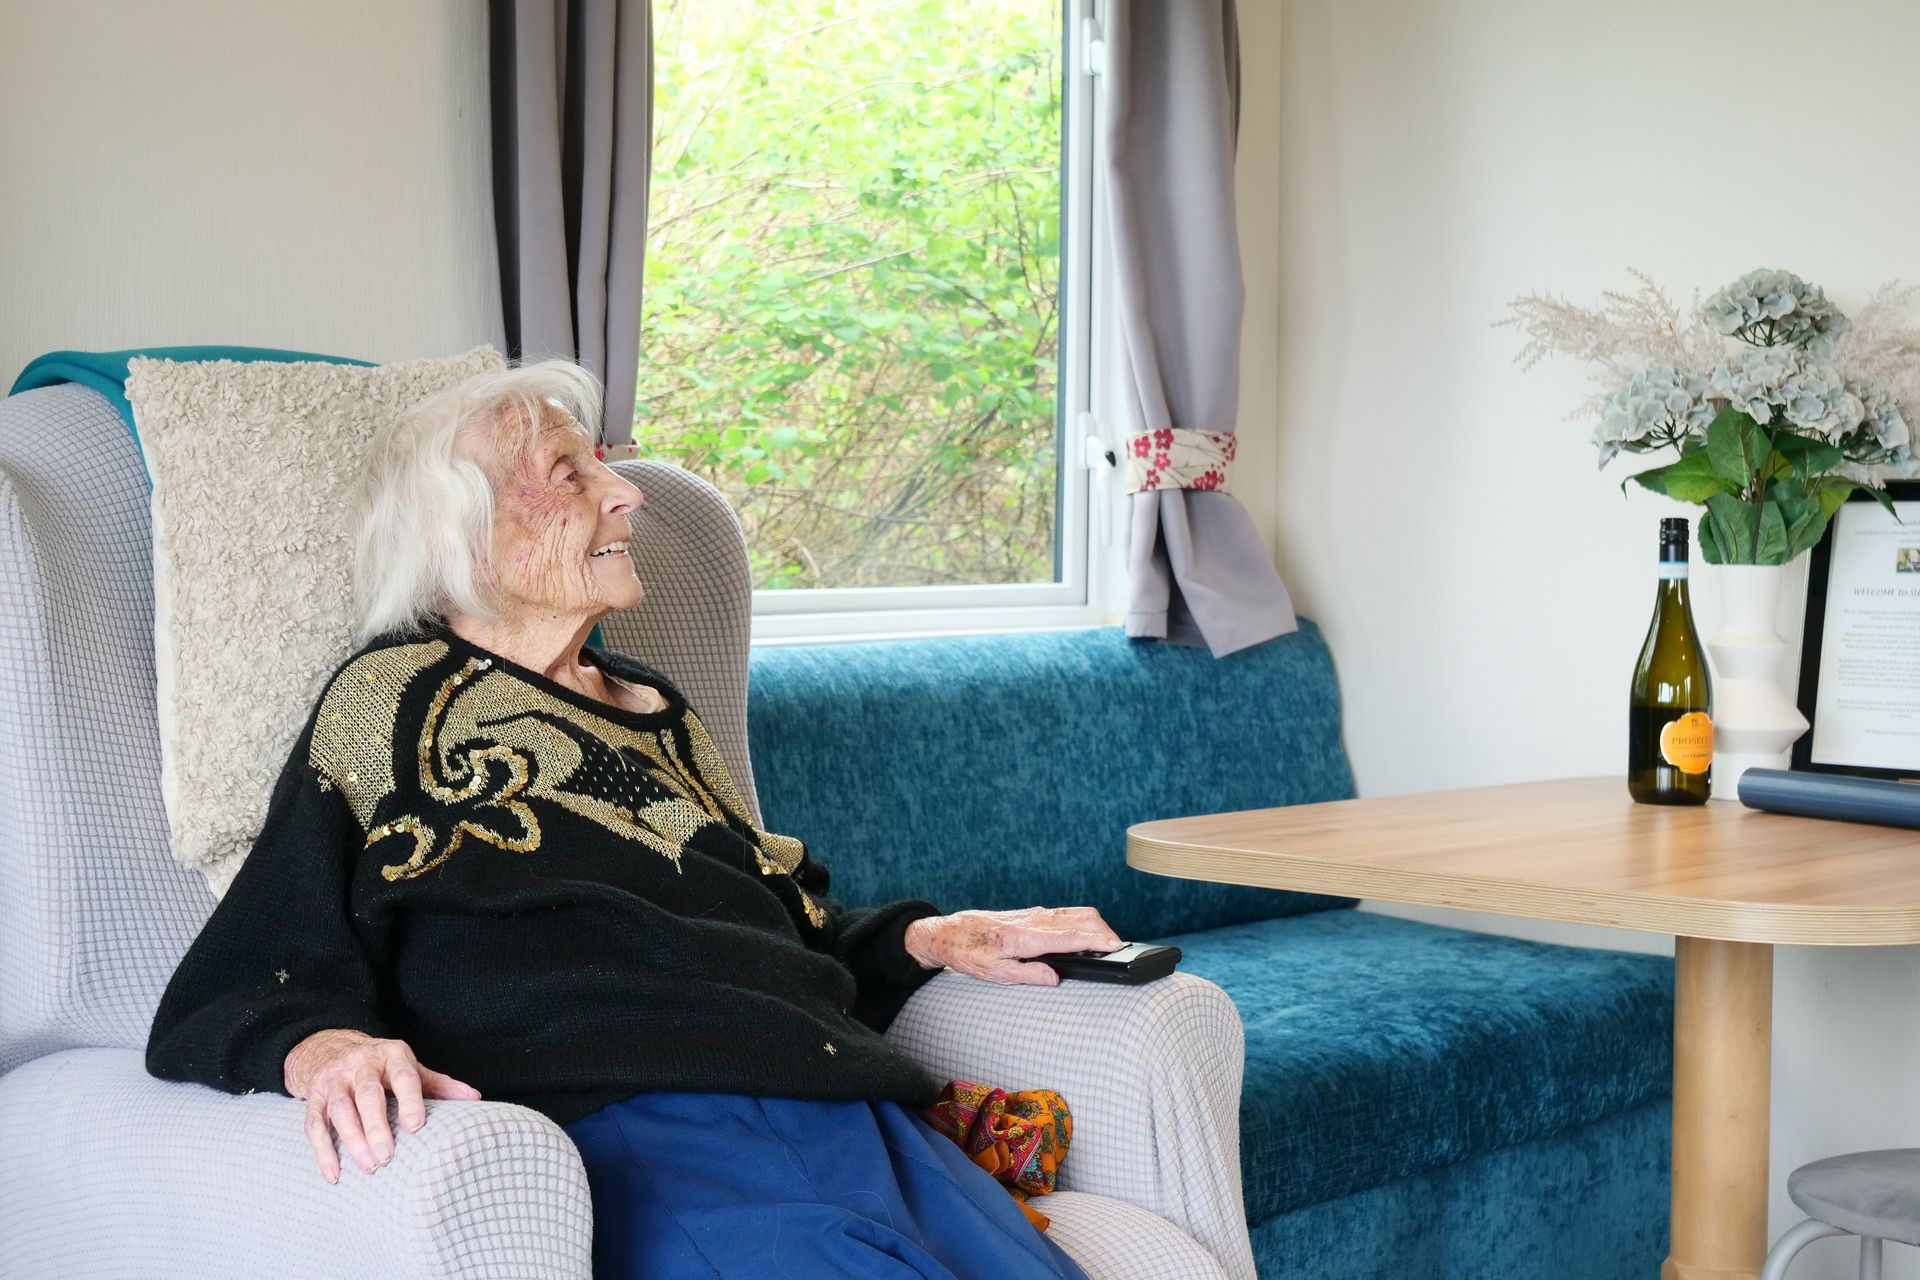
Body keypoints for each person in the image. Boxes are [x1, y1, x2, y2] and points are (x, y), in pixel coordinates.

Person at [145, 359, 1122, 1279]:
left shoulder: (659, 709)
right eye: (566, 474)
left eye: (601, 464)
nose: (626, 495)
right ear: (461, 533)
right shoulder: (393, 704)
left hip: (853, 1110)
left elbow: (785, 927)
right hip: (651, 1134)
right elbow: (244, 971)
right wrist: (323, 1045)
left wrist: (941, 933)